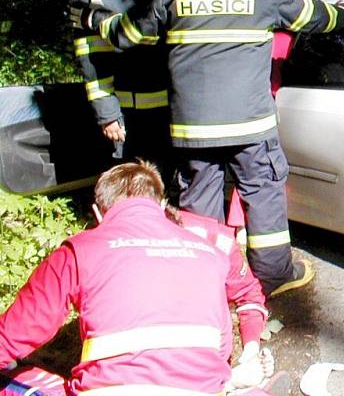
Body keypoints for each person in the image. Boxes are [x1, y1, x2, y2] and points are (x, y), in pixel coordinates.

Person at [70, 0, 344, 297]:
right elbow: (316, 17)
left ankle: (202, 283)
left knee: (199, 206)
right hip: (251, 127)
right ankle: (273, 277)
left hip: (193, 131)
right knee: (263, 196)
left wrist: (90, 19)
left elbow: (127, 35)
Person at [0, 161, 283, 396]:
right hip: (203, 389)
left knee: (16, 378)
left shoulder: (80, 250)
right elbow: (245, 300)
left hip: (109, 390)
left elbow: (11, 337)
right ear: (161, 204)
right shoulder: (212, 244)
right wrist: (248, 352)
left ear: (99, 213)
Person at [72, 0, 172, 170]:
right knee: (129, 184)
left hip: (166, 106)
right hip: (127, 111)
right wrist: (107, 113)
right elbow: (90, 57)